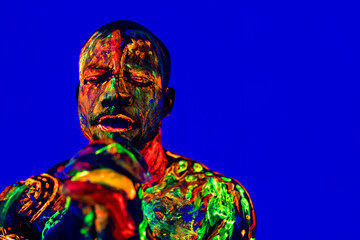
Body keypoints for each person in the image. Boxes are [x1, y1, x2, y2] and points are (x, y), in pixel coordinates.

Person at [0, 20, 256, 240]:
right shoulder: (26, 206)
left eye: (139, 80)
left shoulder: (215, 202)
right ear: (79, 99)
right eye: (96, 79)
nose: (115, 93)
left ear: (166, 102)